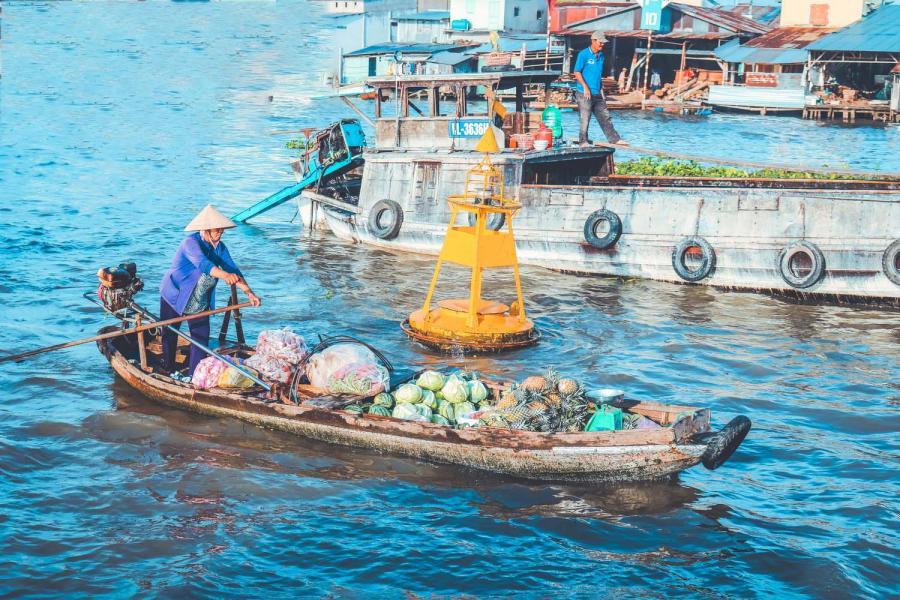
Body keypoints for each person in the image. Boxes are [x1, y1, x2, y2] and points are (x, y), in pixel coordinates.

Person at [159, 204, 261, 375]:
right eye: (216, 231)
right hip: (176, 294)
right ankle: (167, 367)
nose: (220, 234)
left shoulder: (220, 247)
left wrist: (249, 293)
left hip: (199, 299)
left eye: (221, 231)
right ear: (205, 229)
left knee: (200, 338)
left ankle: (195, 375)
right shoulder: (190, 243)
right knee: (170, 332)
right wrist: (224, 276)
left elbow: (233, 270)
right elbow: (204, 264)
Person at [573, 31, 625, 147]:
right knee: (585, 118)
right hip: (584, 93)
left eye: (603, 43)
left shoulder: (601, 56)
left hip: (597, 92)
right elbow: (577, 72)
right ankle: (583, 141)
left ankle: (614, 139)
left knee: (605, 116)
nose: (602, 45)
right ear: (593, 41)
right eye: (600, 42)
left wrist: (601, 89)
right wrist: (585, 87)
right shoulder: (583, 54)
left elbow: (598, 74)